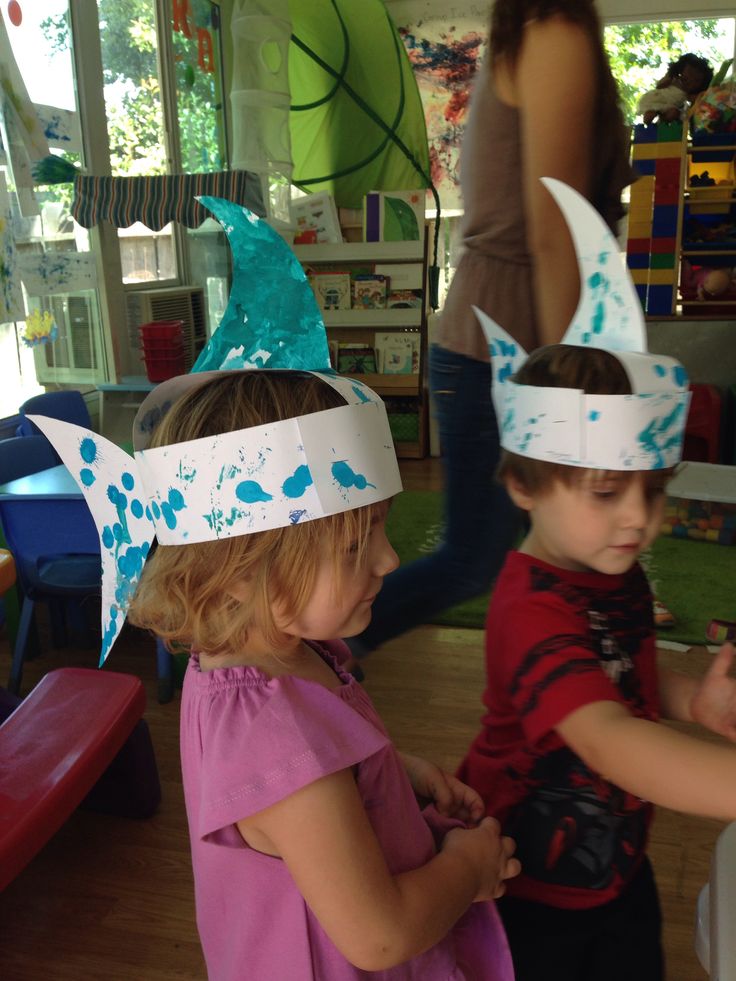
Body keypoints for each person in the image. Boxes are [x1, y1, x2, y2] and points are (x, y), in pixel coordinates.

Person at [32, 199, 519, 981]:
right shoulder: (271, 723)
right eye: (358, 544)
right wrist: (470, 864)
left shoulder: (284, 654)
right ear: (244, 566)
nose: (391, 561)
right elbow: (381, 935)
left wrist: (399, 770)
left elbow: (321, 768)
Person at [458, 180, 736, 981]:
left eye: (654, 488)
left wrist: (693, 699)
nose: (638, 520)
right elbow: (611, 739)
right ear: (523, 485)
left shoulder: (608, 570)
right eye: (608, 491)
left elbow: (629, 677)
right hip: (531, 889)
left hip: (616, 866)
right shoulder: (530, 608)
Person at [345, 0, 633, 669]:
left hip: (507, 347)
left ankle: (570, 700)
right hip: (504, 352)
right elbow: (555, 231)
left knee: (557, 556)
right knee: (476, 559)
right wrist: (574, 392)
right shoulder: (554, 34)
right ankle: (320, 656)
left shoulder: (539, 34)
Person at [637, 53, 713, 125]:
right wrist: (669, 79)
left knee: (673, 113)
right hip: (658, 99)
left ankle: (661, 125)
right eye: (690, 73)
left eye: (697, 80)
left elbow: (695, 99)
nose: (691, 80)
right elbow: (659, 85)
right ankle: (647, 127)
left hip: (671, 106)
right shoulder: (675, 80)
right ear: (682, 70)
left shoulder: (688, 93)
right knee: (650, 114)